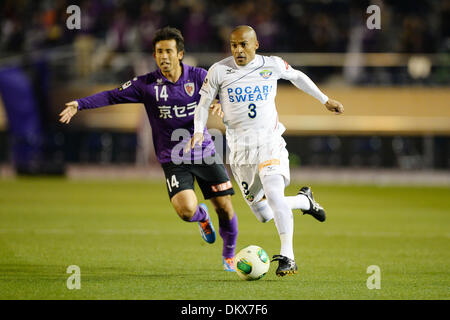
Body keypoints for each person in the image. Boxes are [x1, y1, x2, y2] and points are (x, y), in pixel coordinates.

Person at [59, 27, 238, 272]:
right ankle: (201, 217)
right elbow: (112, 96)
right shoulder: (146, 85)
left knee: (225, 207)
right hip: (173, 158)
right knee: (186, 211)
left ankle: (229, 255)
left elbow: (223, 91)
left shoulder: (198, 77)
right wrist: (80, 104)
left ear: (180, 54)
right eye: (158, 52)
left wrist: (219, 103)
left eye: (168, 51)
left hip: (205, 152)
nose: (163, 56)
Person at [186, 25, 344, 277]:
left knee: (273, 192)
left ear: (256, 44)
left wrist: (325, 100)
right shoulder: (219, 70)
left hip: (269, 141)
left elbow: (298, 77)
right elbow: (204, 103)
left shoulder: (271, 64)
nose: (238, 50)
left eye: (243, 45)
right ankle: (305, 201)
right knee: (264, 214)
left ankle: (288, 257)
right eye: (233, 45)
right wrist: (197, 131)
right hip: (240, 152)